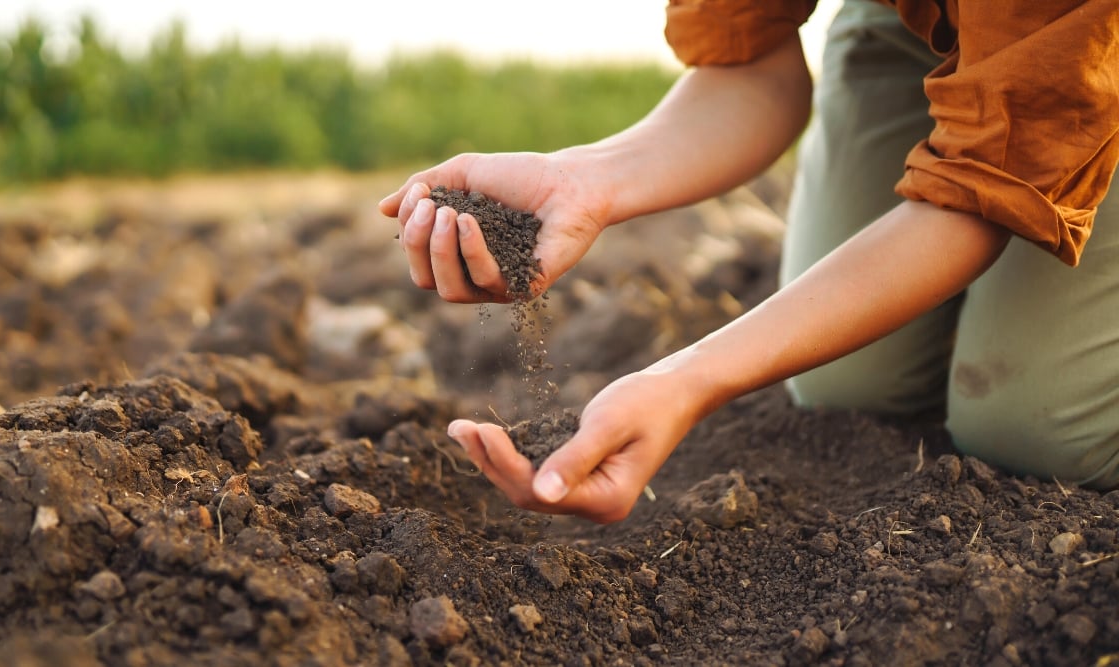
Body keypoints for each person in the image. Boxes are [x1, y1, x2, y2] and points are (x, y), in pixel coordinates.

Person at [379, 0, 1119, 523]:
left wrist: (686, 378)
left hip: (1084, 35)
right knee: (843, 380)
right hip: (925, 18)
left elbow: (977, 195)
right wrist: (585, 179)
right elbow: (750, 72)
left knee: (1036, 431)